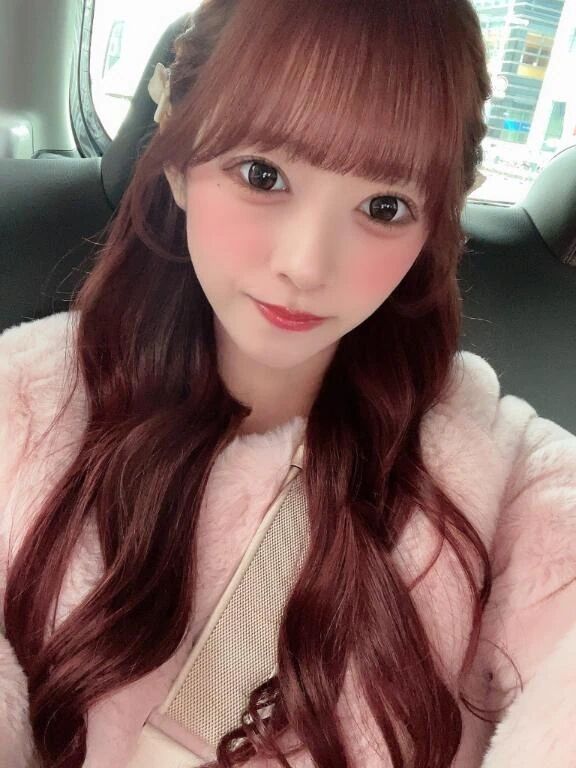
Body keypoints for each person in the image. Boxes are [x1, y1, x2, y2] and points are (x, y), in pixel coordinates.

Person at [1, 0, 575, 766]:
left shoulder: (505, 474)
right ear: (177, 163)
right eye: (262, 175)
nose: (306, 264)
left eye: (384, 206)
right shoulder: (21, 405)